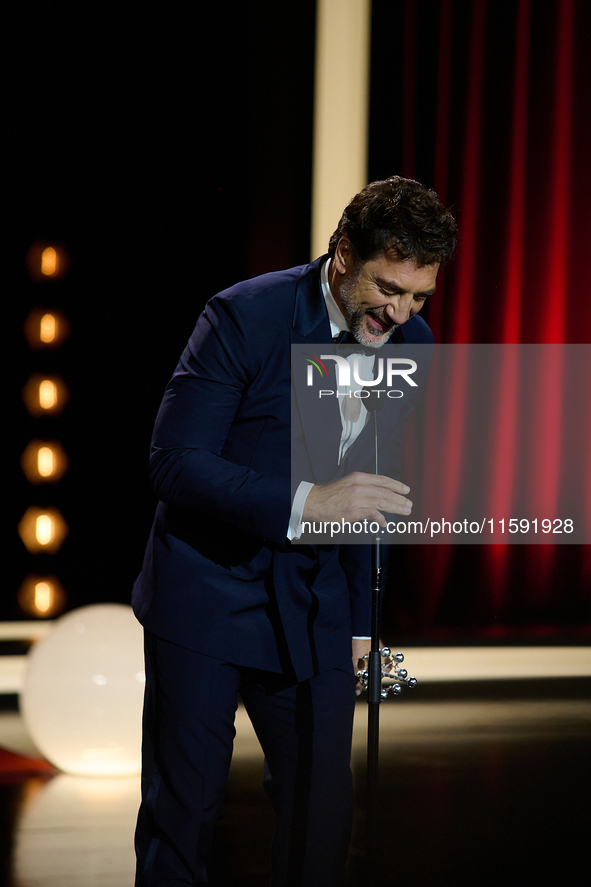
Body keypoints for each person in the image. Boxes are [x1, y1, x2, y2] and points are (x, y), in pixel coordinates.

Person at [132, 175, 457, 886]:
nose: (401, 312)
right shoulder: (244, 315)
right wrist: (309, 500)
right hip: (206, 593)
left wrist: (364, 627)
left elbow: (376, 491)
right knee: (182, 816)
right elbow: (174, 462)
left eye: (418, 295)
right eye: (388, 288)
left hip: (311, 605)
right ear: (343, 253)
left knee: (322, 813)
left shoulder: (413, 342)